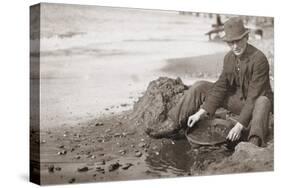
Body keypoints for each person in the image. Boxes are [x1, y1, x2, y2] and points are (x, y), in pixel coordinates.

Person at [146, 17, 273, 147]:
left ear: (246, 38)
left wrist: (239, 126)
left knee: (263, 101)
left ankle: (254, 141)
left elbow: (253, 97)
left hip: (257, 106)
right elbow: (221, 86)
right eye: (231, 42)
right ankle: (173, 123)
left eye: (238, 41)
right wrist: (201, 112)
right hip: (238, 102)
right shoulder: (229, 58)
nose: (235, 46)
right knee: (200, 86)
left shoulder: (259, 60)